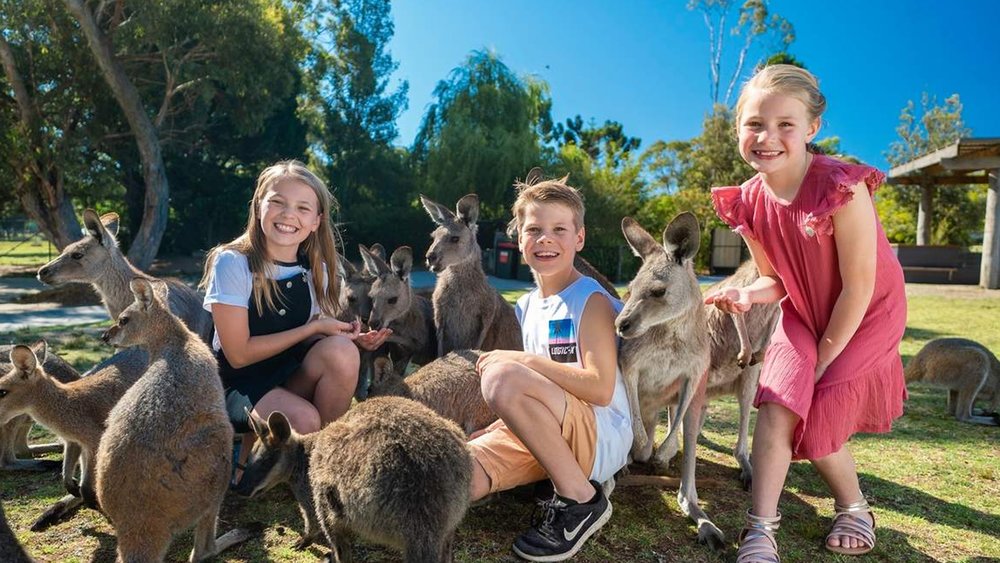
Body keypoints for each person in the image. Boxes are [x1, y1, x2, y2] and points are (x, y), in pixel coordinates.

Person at [706, 64, 907, 561]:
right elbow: (774, 277)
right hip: (802, 312)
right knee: (776, 407)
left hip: (864, 316)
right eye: (754, 124)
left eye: (784, 125)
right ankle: (759, 529)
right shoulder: (748, 201)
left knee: (815, 428)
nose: (766, 137)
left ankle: (855, 507)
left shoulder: (842, 186)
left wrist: (820, 363)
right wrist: (750, 296)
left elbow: (858, 288)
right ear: (738, 130)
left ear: (812, 129)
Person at [467, 174, 632, 562]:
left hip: (597, 434)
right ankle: (552, 477)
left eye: (559, 229)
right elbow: (534, 390)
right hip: (552, 430)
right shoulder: (525, 306)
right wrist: (506, 420)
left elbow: (599, 388)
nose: (545, 239)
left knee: (502, 375)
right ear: (519, 239)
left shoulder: (589, 299)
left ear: (579, 238)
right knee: (453, 474)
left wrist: (521, 361)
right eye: (534, 229)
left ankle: (581, 500)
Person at [200, 160, 390, 446]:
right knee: (303, 420)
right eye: (277, 202)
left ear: (316, 221)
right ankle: (256, 462)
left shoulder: (318, 270)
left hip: (287, 374)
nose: (289, 215)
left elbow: (310, 329)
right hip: (237, 385)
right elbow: (238, 355)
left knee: (343, 352)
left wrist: (344, 335)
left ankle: (316, 460)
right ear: (258, 206)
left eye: (303, 208)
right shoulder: (233, 263)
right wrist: (312, 330)